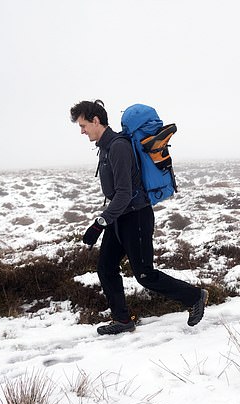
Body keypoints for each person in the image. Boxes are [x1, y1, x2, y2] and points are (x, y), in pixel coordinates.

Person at [69, 100, 208, 335]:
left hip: (136, 218)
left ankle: (195, 297)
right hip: (120, 218)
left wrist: (100, 223)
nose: (81, 131)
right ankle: (123, 320)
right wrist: (108, 221)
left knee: (145, 274)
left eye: (83, 125)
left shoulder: (118, 147)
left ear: (95, 120)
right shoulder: (105, 147)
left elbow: (124, 193)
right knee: (106, 268)